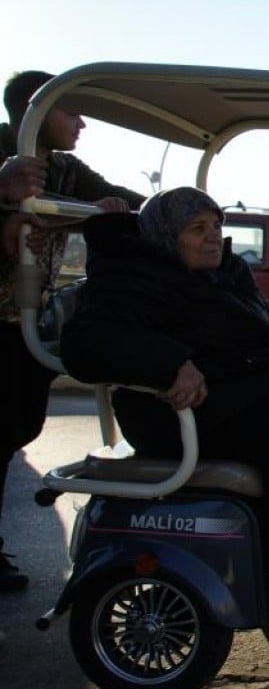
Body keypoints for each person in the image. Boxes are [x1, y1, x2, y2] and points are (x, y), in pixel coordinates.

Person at [61, 187, 269, 601]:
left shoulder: (225, 274)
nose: (213, 236)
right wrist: (167, 363)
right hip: (175, 412)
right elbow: (88, 342)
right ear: (166, 235)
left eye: (216, 225)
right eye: (197, 228)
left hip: (235, 398)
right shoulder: (136, 276)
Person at [0, 70, 144, 592]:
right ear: (32, 112)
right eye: (70, 111)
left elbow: (120, 197)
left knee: (16, 429)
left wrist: (114, 210)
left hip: (24, 322)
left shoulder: (63, 169)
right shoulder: (5, 157)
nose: (81, 123)